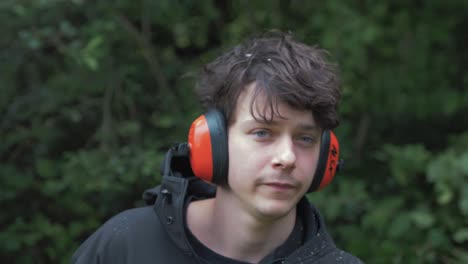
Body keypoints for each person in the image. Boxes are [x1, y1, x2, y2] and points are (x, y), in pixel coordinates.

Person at [71, 30, 363, 264]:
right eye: (262, 133)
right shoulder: (126, 246)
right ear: (213, 142)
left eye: (305, 139)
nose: (287, 158)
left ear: (326, 157)